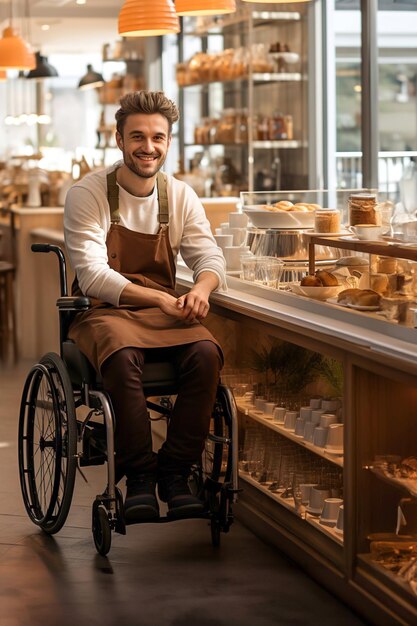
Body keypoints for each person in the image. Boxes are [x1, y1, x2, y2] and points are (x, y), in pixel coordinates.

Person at [64, 90, 226, 524]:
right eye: (137, 136)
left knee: (207, 353)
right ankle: (138, 477)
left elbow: (209, 258)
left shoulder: (180, 196)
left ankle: (175, 474)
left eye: (157, 137)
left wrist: (203, 290)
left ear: (169, 142)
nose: (147, 146)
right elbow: (95, 276)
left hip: (162, 313)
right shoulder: (89, 193)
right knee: (121, 355)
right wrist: (161, 298)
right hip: (104, 312)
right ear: (118, 139)